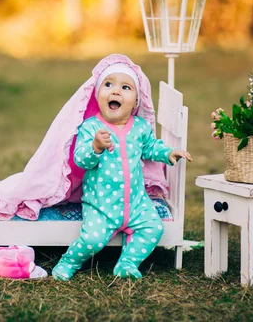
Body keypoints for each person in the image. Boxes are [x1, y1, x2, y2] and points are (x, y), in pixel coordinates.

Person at [52, 63, 192, 280]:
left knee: (153, 228)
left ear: (136, 101)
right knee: (91, 240)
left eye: (126, 87)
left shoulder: (140, 127)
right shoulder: (91, 128)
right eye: (108, 85)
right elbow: (81, 159)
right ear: (98, 94)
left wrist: (168, 153)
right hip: (101, 205)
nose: (116, 91)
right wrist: (96, 147)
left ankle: (127, 262)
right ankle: (69, 262)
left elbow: (150, 147)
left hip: (136, 202)